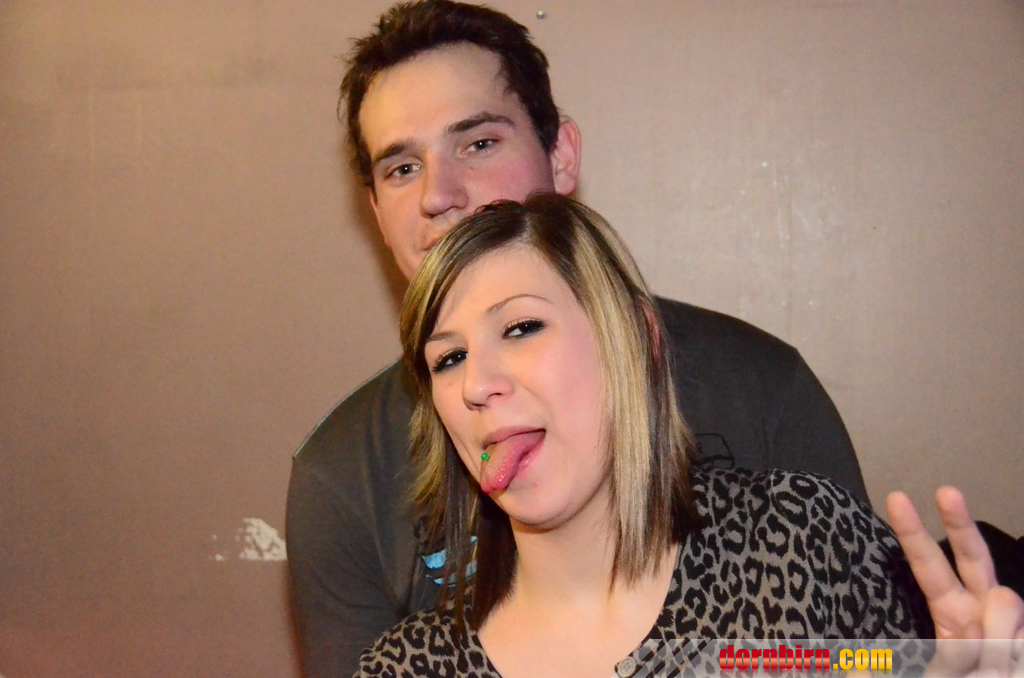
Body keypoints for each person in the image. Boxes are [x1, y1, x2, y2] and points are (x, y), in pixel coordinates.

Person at [286, 1, 866, 674]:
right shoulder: (341, 482)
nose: (439, 194)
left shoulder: (765, 400)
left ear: (560, 156)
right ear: (377, 213)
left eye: (478, 144)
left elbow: (865, 654)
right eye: (402, 168)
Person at [354, 194, 1024, 676]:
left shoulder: (794, 543)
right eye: (449, 359)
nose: (477, 383)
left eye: (521, 327)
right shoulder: (407, 668)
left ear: (638, 339)